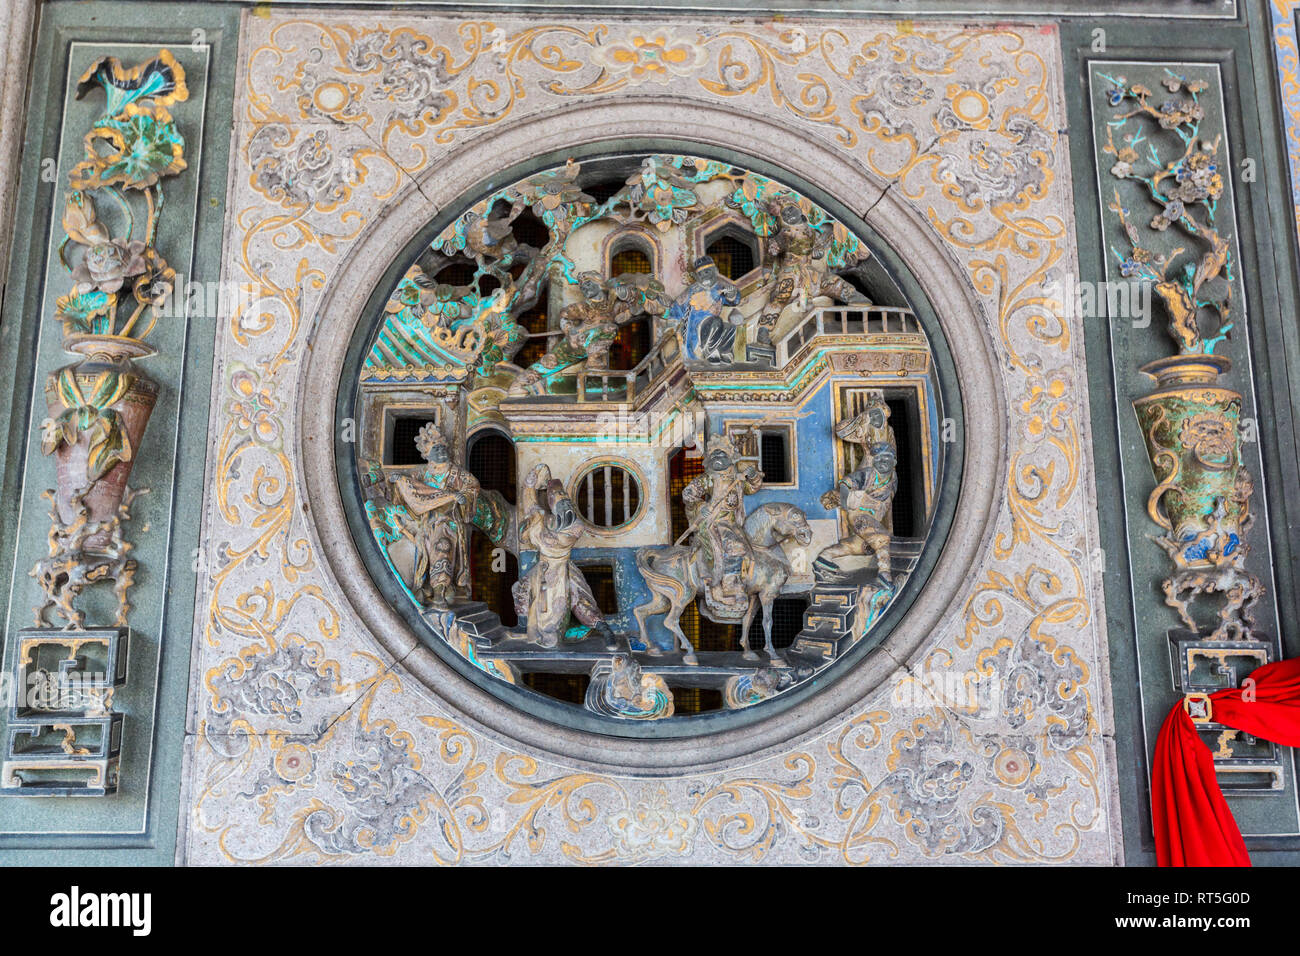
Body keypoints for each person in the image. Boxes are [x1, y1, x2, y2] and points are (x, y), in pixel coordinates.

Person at [386, 424, 480, 606]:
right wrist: (397, 481)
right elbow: (407, 486)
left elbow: (472, 486)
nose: (441, 451)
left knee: (442, 546)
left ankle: (441, 588)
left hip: (449, 522)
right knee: (424, 548)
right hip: (425, 523)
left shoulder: (457, 474)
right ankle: (424, 587)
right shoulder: (420, 474)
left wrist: (464, 498)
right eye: (436, 449)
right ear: (427, 454)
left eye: (443, 448)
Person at [682, 433, 763, 609]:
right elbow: (688, 493)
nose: (718, 458)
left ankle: (737, 578)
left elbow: (752, 488)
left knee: (748, 547)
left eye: (722, 454)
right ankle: (728, 584)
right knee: (734, 546)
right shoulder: (708, 478)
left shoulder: (737, 478)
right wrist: (700, 505)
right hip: (714, 522)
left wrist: (753, 476)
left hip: (732, 522)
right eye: (715, 455)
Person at [666, 255, 742, 365]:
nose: (704, 277)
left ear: (715, 271)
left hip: (713, 328)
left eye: (707, 272)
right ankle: (710, 352)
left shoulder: (719, 286)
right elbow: (676, 308)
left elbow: (734, 301)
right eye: (700, 274)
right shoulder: (692, 290)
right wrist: (671, 323)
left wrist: (732, 295)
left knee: (730, 328)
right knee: (716, 321)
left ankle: (725, 352)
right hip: (697, 329)